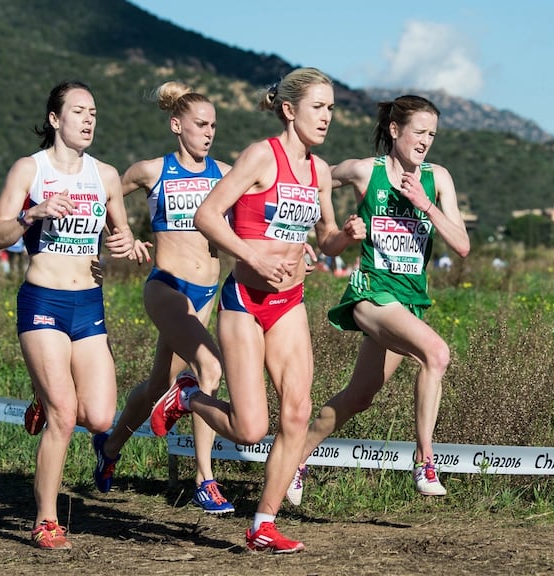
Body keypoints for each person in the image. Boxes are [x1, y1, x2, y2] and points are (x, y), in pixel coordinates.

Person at [150, 67, 365, 553]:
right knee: (251, 430)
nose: (327, 117)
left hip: (289, 302)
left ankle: (262, 524)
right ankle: (187, 397)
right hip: (244, 303)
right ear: (289, 110)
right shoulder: (259, 157)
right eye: (319, 107)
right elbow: (207, 215)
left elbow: (324, 239)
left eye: (332, 108)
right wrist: (251, 254)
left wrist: (344, 238)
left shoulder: (319, 171)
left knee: (297, 413)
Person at [0, 80, 150, 551]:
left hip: (88, 305)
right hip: (42, 302)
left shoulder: (106, 176)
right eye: (79, 111)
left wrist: (127, 246)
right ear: (56, 119)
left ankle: (44, 396)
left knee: (98, 417)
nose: (89, 119)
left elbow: (121, 237)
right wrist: (32, 214)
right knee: (63, 415)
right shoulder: (29, 169)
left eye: (94, 112)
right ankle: (46, 520)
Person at [286, 94, 470, 506]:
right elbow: (309, 177)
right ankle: (424, 462)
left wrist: (426, 206)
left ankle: (292, 461)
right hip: (370, 293)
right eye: (419, 132)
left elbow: (461, 245)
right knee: (436, 354)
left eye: (433, 135)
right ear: (394, 130)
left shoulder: (438, 178)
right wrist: (311, 234)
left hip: (408, 303)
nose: (426, 141)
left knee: (360, 396)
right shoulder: (365, 172)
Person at [91, 80, 235, 515]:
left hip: (207, 288)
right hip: (166, 286)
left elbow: (253, 219)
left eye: (213, 125)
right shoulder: (151, 171)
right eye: (200, 124)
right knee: (208, 369)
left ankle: (110, 449)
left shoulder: (225, 174)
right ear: (177, 125)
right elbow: (99, 198)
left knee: (159, 385)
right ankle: (205, 481)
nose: (208, 133)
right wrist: (122, 236)